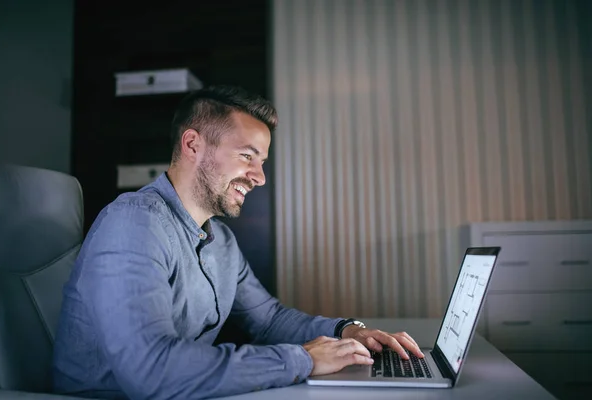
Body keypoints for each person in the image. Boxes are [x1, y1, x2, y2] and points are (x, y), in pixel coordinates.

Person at [52, 85, 424, 400]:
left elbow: (269, 319)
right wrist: (303, 359)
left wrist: (348, 331)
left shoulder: (221, 242)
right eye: (247, 156)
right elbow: (150, 370)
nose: (259, 177)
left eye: (261, 161)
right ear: (193, 144)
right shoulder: (133, 223)